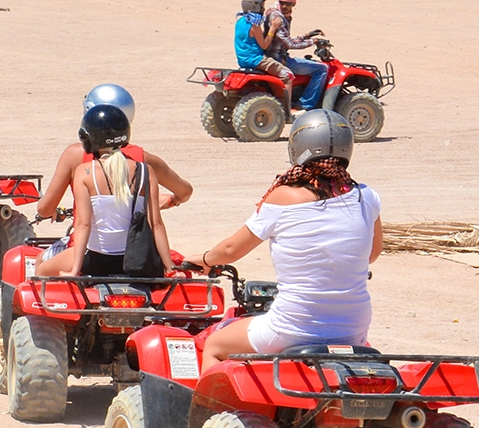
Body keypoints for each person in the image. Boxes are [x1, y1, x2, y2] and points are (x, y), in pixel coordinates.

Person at [198, 110, 382, 369]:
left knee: (215, 347)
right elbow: (372, 254)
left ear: (298, 148)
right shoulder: (367, 196)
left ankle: (212, 412)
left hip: (293, 327)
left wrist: (204, 259)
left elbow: (229, 250)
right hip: (354, 328)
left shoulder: (282, 196)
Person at [35, 104, 173, 278]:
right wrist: (169, 268)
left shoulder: (85, 173)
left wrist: (75, 270)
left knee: (41, 269)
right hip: (136, 260)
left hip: (97, 262)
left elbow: (84, 225)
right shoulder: (146, 171)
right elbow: (157, 224)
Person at [34, 83, 192, 220]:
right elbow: (185, 191)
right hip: (136, 248)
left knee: (33, 256)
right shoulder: (144, 159)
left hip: (87, 245)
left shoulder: (74, 154)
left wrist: (52, 211)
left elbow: (44, 209)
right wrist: (171, 200)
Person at [267, 0, 327, 109]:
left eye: (288, 4)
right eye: (282, 3)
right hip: (279, 59)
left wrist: (307, 35)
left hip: (278, 56)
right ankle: (304, 106)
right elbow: (289, 44)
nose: (284, 6)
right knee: (322, 69)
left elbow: (286, 40)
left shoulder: (282, 15)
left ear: (294, 4)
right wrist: (313, 42)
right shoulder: (277, 17)